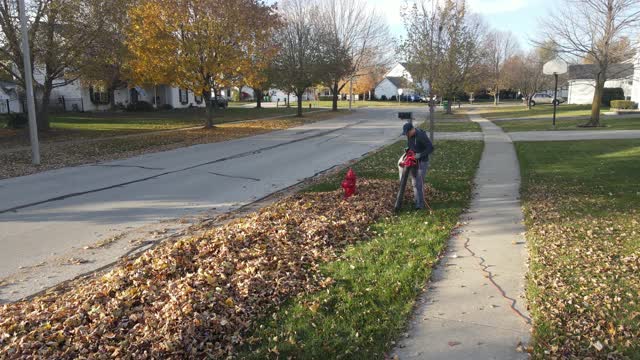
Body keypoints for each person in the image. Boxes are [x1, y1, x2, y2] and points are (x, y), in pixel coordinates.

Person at [398, 122, 434, 209]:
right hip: (414, 161)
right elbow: (411, 145)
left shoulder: (421, 135)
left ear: (412, 130)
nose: (407, 135)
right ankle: (417, 200)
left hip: (422, 162)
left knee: (418, 183)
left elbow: (431, 148)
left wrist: (420, 155)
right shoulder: (409, 136)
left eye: (407, 133)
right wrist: (408, 150)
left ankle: (420, 205)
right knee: (414, 183)